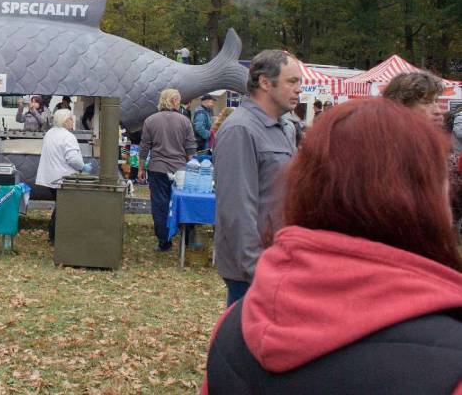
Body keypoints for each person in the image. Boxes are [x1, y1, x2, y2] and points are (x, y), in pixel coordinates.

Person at [202, 99, 462, 394]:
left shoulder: (233, 328)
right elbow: (237, 204)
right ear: (423, 200)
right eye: (442, 184)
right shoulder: (450, 362)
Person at [214, 50, 302, 306]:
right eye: (291, 81)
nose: (298, 89)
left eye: (299, 82)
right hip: (254, 274)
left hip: (276, 262)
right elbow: (236, 209)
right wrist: (257, 270)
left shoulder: (281, 127)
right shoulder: (240, 129)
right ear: (265, 82)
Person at [382, 72, 461, 236]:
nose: (438, 111)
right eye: (427, 102)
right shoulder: (384, 150)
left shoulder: (436, 146)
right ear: (401, 107)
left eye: (436, 101)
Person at [137, 89, 197, 252]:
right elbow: (190, 149)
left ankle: (164, 241)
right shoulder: (185, 121)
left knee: (160, 205)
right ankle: (187, 238)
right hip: (180, 169)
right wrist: (193, 168)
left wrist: (141, 168)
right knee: (184, 202)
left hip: (158, 168)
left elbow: (144, 147)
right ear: (175, 102)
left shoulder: (150, 120)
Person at [34, 109, 92, 244]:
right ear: (65, 121)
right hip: (63, 178)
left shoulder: (50, 133)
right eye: (71, 119)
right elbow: (73, 159)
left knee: (60, 206)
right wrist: (82, 167)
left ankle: (54, 235)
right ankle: (56, 237)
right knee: (63, 207)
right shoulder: (68, 136)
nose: (73, 122)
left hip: (50, 177)